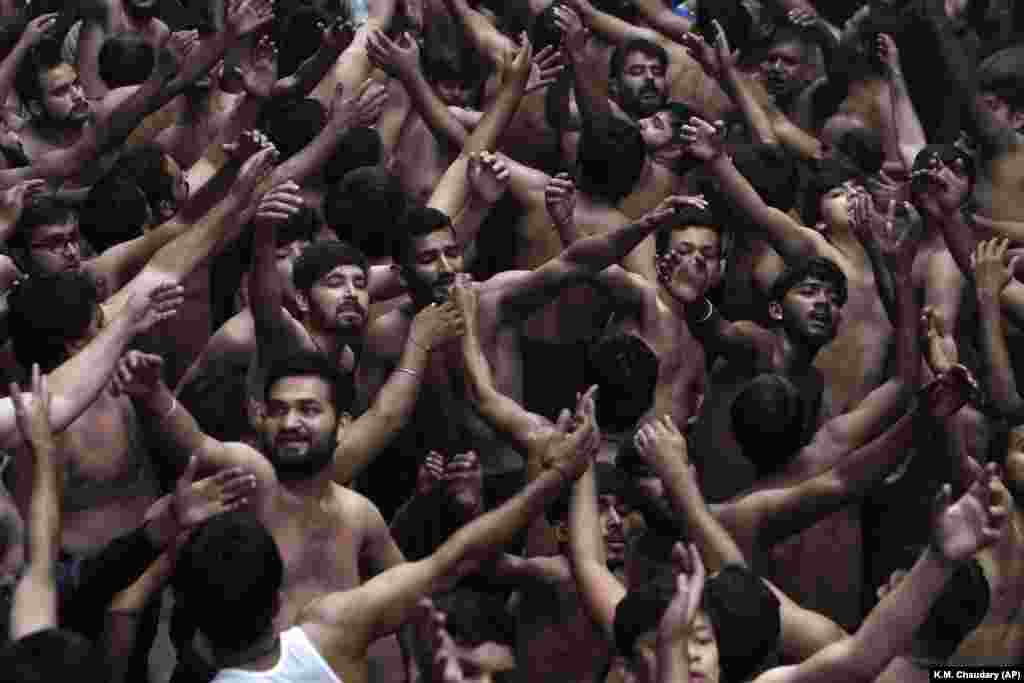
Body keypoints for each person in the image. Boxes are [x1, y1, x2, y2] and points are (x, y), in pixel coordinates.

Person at [148, 385, 598, 683]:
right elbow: (456, 558)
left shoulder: (196, 670)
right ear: (278, 599)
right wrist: (557, 477)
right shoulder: (332, 632)